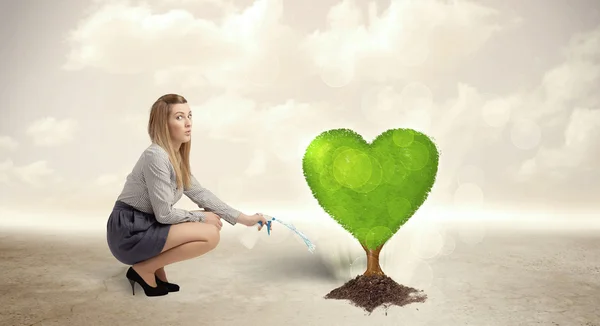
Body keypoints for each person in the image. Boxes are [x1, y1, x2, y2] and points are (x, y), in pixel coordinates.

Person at [106, 93, 269, 297]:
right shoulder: (155, 156)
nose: (188, 123)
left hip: (146, 224)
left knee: (208, 225)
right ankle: (144, 269)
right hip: (130, 232)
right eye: (179, 117)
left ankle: (153, 270)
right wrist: (200, 216)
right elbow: (164, 215)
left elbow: (200, 193)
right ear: (163, 124)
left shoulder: (173, 157)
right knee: (209, 233)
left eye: (190, 116)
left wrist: (245, 219)